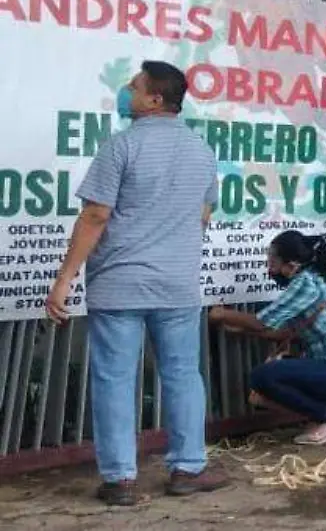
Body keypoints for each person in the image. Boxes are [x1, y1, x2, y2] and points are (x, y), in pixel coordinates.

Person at [45, 61, 228, 505]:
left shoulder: (119, 148)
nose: (126, 91)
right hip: (177, 287)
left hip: (120, 286)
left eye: (133, 86)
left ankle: (120, 479)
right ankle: (188, 469)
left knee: (114, 379)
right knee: (184, 375)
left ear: (154, 100)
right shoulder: (203, 152)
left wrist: (63, 280)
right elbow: (203, 217)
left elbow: (95, 216)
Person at [208, 231, 326, 446]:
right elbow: (286, 332)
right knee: (276, 372)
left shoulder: (305, 282)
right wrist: (242, 330)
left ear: (292, 265)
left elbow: (263, 322)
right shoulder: (319, 276)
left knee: (262, 377)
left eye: (274, 261)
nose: (270, 267)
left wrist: (222, 314)